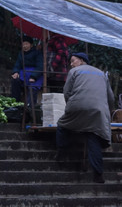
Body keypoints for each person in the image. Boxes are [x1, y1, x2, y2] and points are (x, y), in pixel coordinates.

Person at [55, 52, 114, 184]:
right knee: (93, 137)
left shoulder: (74, 71)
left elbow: (67, 92)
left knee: (62, 124)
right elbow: (110, 97)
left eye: (73, 61)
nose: (71, 64)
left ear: (81, 61)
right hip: (98, 111)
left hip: (77, 106)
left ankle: (61, 152)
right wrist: (108, 112)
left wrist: (71, 105)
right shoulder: (101, 73)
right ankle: (98, 174)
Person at [10, 35, 44, 105]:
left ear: (31, 45)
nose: (24, 46)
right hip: (23, 74)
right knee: (15, 81)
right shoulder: (20, 54)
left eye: (26, 44)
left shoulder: (37, 53)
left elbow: (40, 66)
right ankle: (15, 103)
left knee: (32, 88)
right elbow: (17, 64)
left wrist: (34, 76)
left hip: (35, 74)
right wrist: (15, 72)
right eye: (23, 44)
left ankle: (30, 108)